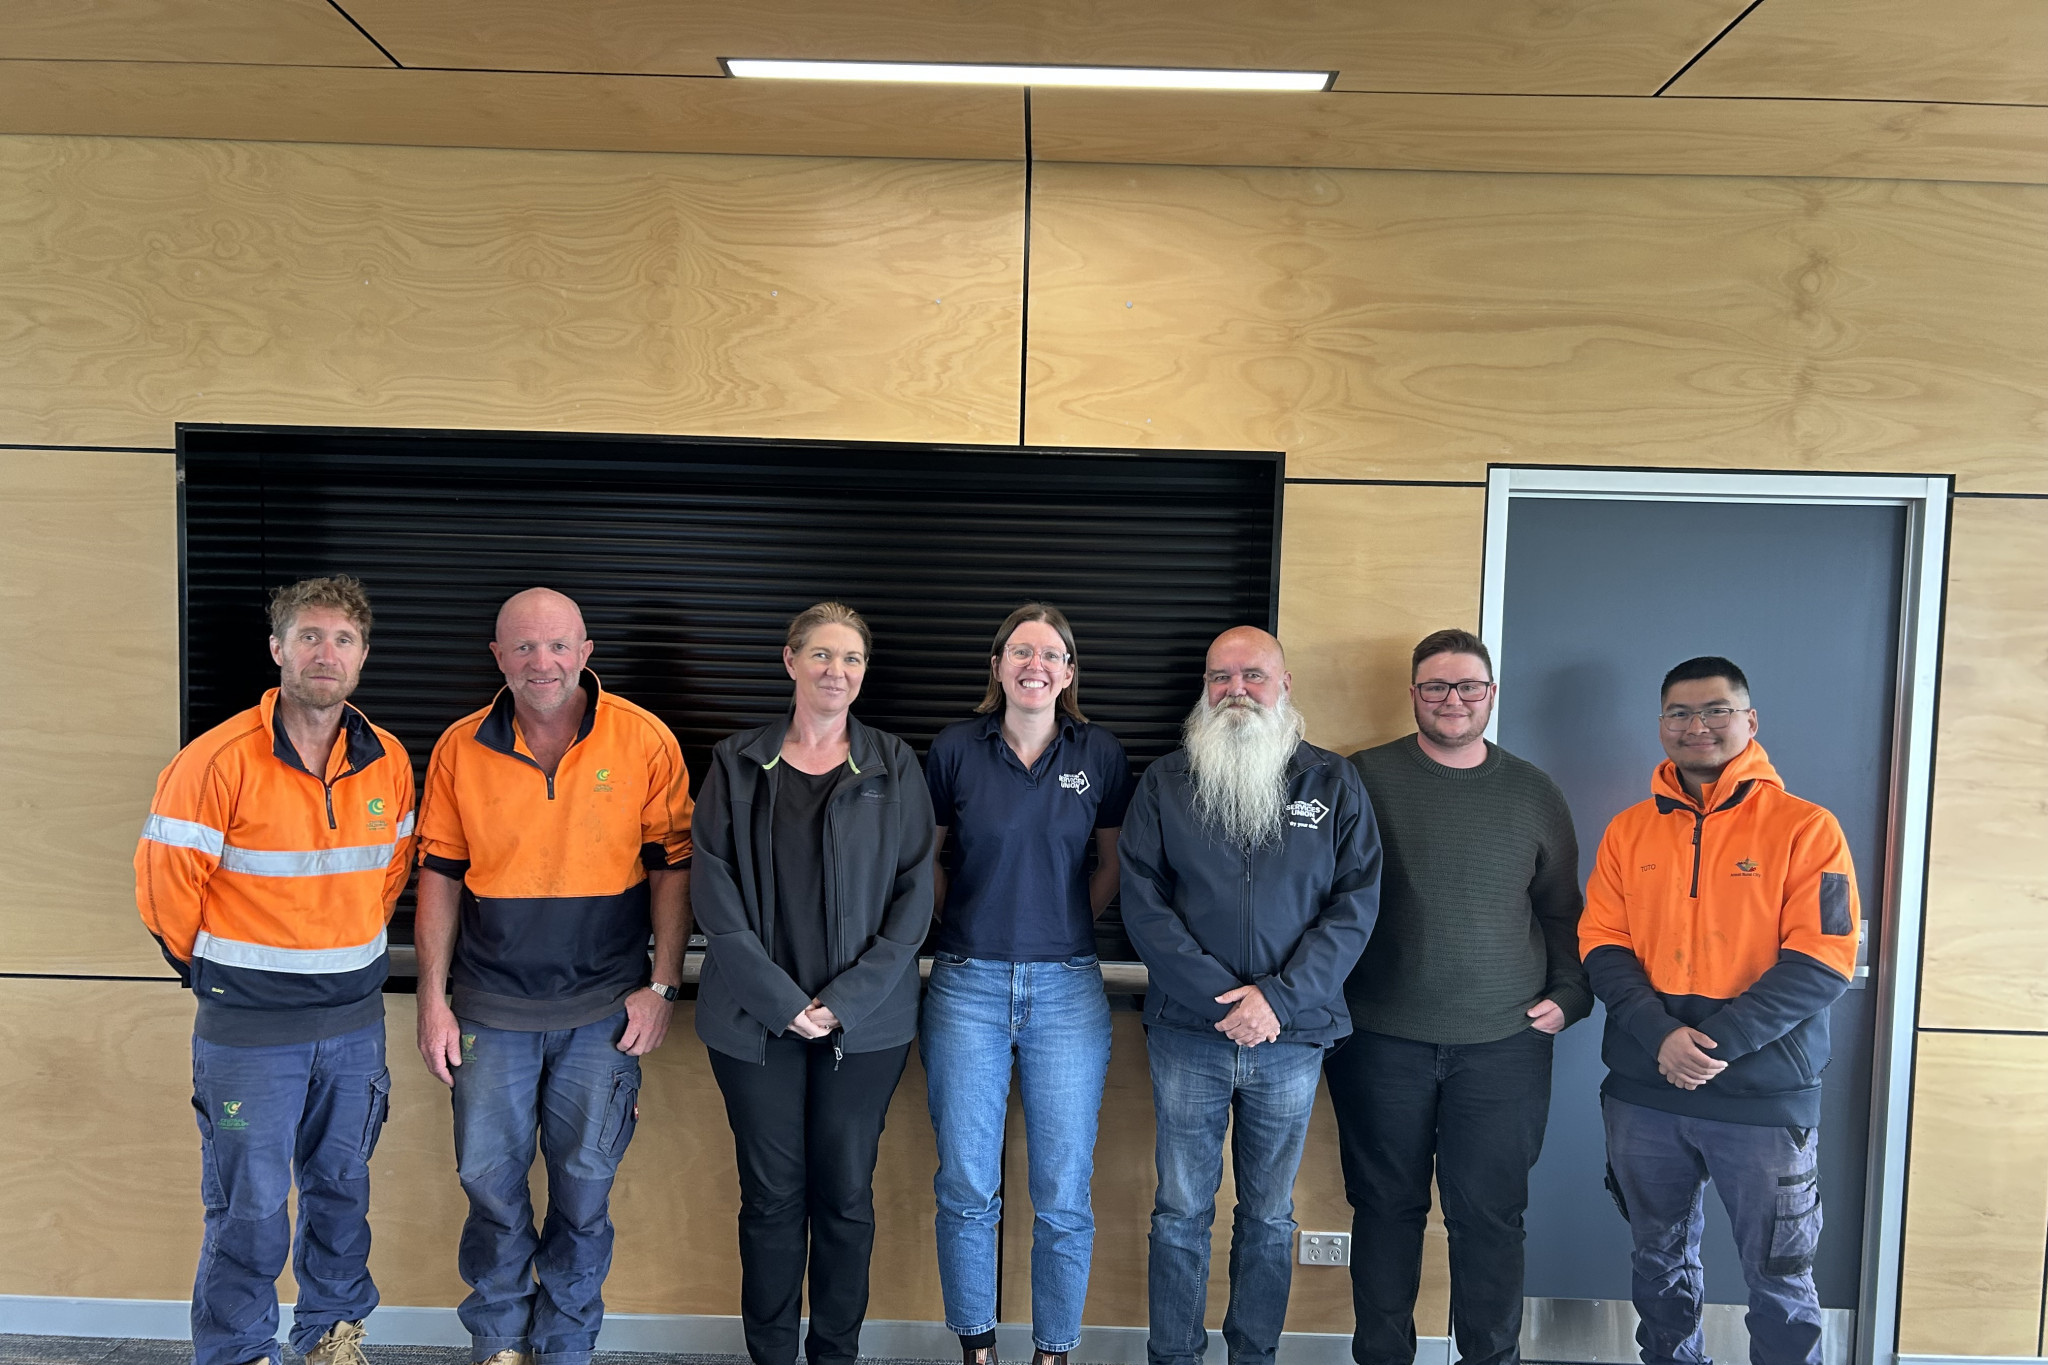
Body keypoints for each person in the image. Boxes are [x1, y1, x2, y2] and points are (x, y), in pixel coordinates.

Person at [135, 575, 415, 1365]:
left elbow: (389, 873)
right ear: (278, 649)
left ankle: (330, 1336)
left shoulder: (388, 759)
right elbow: (165, 892)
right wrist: (233, 975)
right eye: (310, 636)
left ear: (362, 654)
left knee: (341, 1193)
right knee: (249, 1206)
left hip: (354, 1027)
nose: (326, 653)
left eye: (343, 639)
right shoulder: (216, 760)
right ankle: (237, 1351)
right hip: (249, 1035)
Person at [413, 587, 694, 1365]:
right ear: (498, 657)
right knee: (489, 1185)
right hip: (488, 1009)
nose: (544, 662)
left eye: (559, 645)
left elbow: (674, 867)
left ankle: (566, 1346)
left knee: (584, 1192)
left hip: (602, 1013)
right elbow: (437, 874)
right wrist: (430, 1001)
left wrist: (664, 984)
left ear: (586, 651)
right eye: (525, 647)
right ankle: (501, 1343)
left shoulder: (644, 740)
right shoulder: (458, 748)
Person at [1580, 657, 1860, 1365]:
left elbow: (1824, 958)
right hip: (1646, 1088)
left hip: (1764, 1096)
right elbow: (1601, 941)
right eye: (1678, 712)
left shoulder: (1808, 829)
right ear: (1662, 724)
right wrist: (1662, 1037)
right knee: (1657, 1260)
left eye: (1715, 710)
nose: (1696, 725)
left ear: (1750, 721)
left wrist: (1710, 1043)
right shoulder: (1628, 831)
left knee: (1780, 1275)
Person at [1118, 625, 1382, 1365]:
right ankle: (1173, 1355)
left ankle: (1253, 1355)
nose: (1236, 689)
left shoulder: (1333, 782)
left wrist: (1278, 999)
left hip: (1291, 1039)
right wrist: (1221, 999)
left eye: (1254, 675)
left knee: (1268, 1215)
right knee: (1179, 1212)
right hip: (1187, 1034)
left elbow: (1356, 904)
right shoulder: (1167, 781)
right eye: (1221, 676)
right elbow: (1142, 903)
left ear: (1286, 685)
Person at [1328, 628, 1590, 1365]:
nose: (1453, 699)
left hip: (1504, 1045)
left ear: (1491, 695)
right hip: (1379, 1040)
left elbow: (1563, 910)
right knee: (1384, 1212)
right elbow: (1323, 896)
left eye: (1468, 686)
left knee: (1491, 1221)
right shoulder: (1362, 778)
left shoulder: (1534, 790)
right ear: (1413, 694)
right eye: (1436, 686)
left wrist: (1571, 992)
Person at [691, 602, 937, 1365]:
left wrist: (845, 1001)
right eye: (823, 655)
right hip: (750, 1023)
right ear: (790, 660)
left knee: (846, 1196)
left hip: (865, 1028)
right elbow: (713, 892)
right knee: (769, 1198)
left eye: (852, 659)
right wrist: (783, 1002)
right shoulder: (735, 761)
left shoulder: (895, 764)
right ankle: (770, 1354)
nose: (838, 671)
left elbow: (916, 895)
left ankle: (835, 1354)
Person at [921, 604, 1134, 1365]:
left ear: (1069, 672)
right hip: (966, 984)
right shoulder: (953, 749)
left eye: (1050, 653)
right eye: (1020, 650)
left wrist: (1065, 920)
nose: (1034, 664)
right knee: (968, 1185)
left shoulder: (1100, 754)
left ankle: (1054, 1351)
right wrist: (972, 923)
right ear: (998, 665)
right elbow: (931, 863)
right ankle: (977, 1347)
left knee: (1063, 1193)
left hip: (1070, 989)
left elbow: (1108, 865)